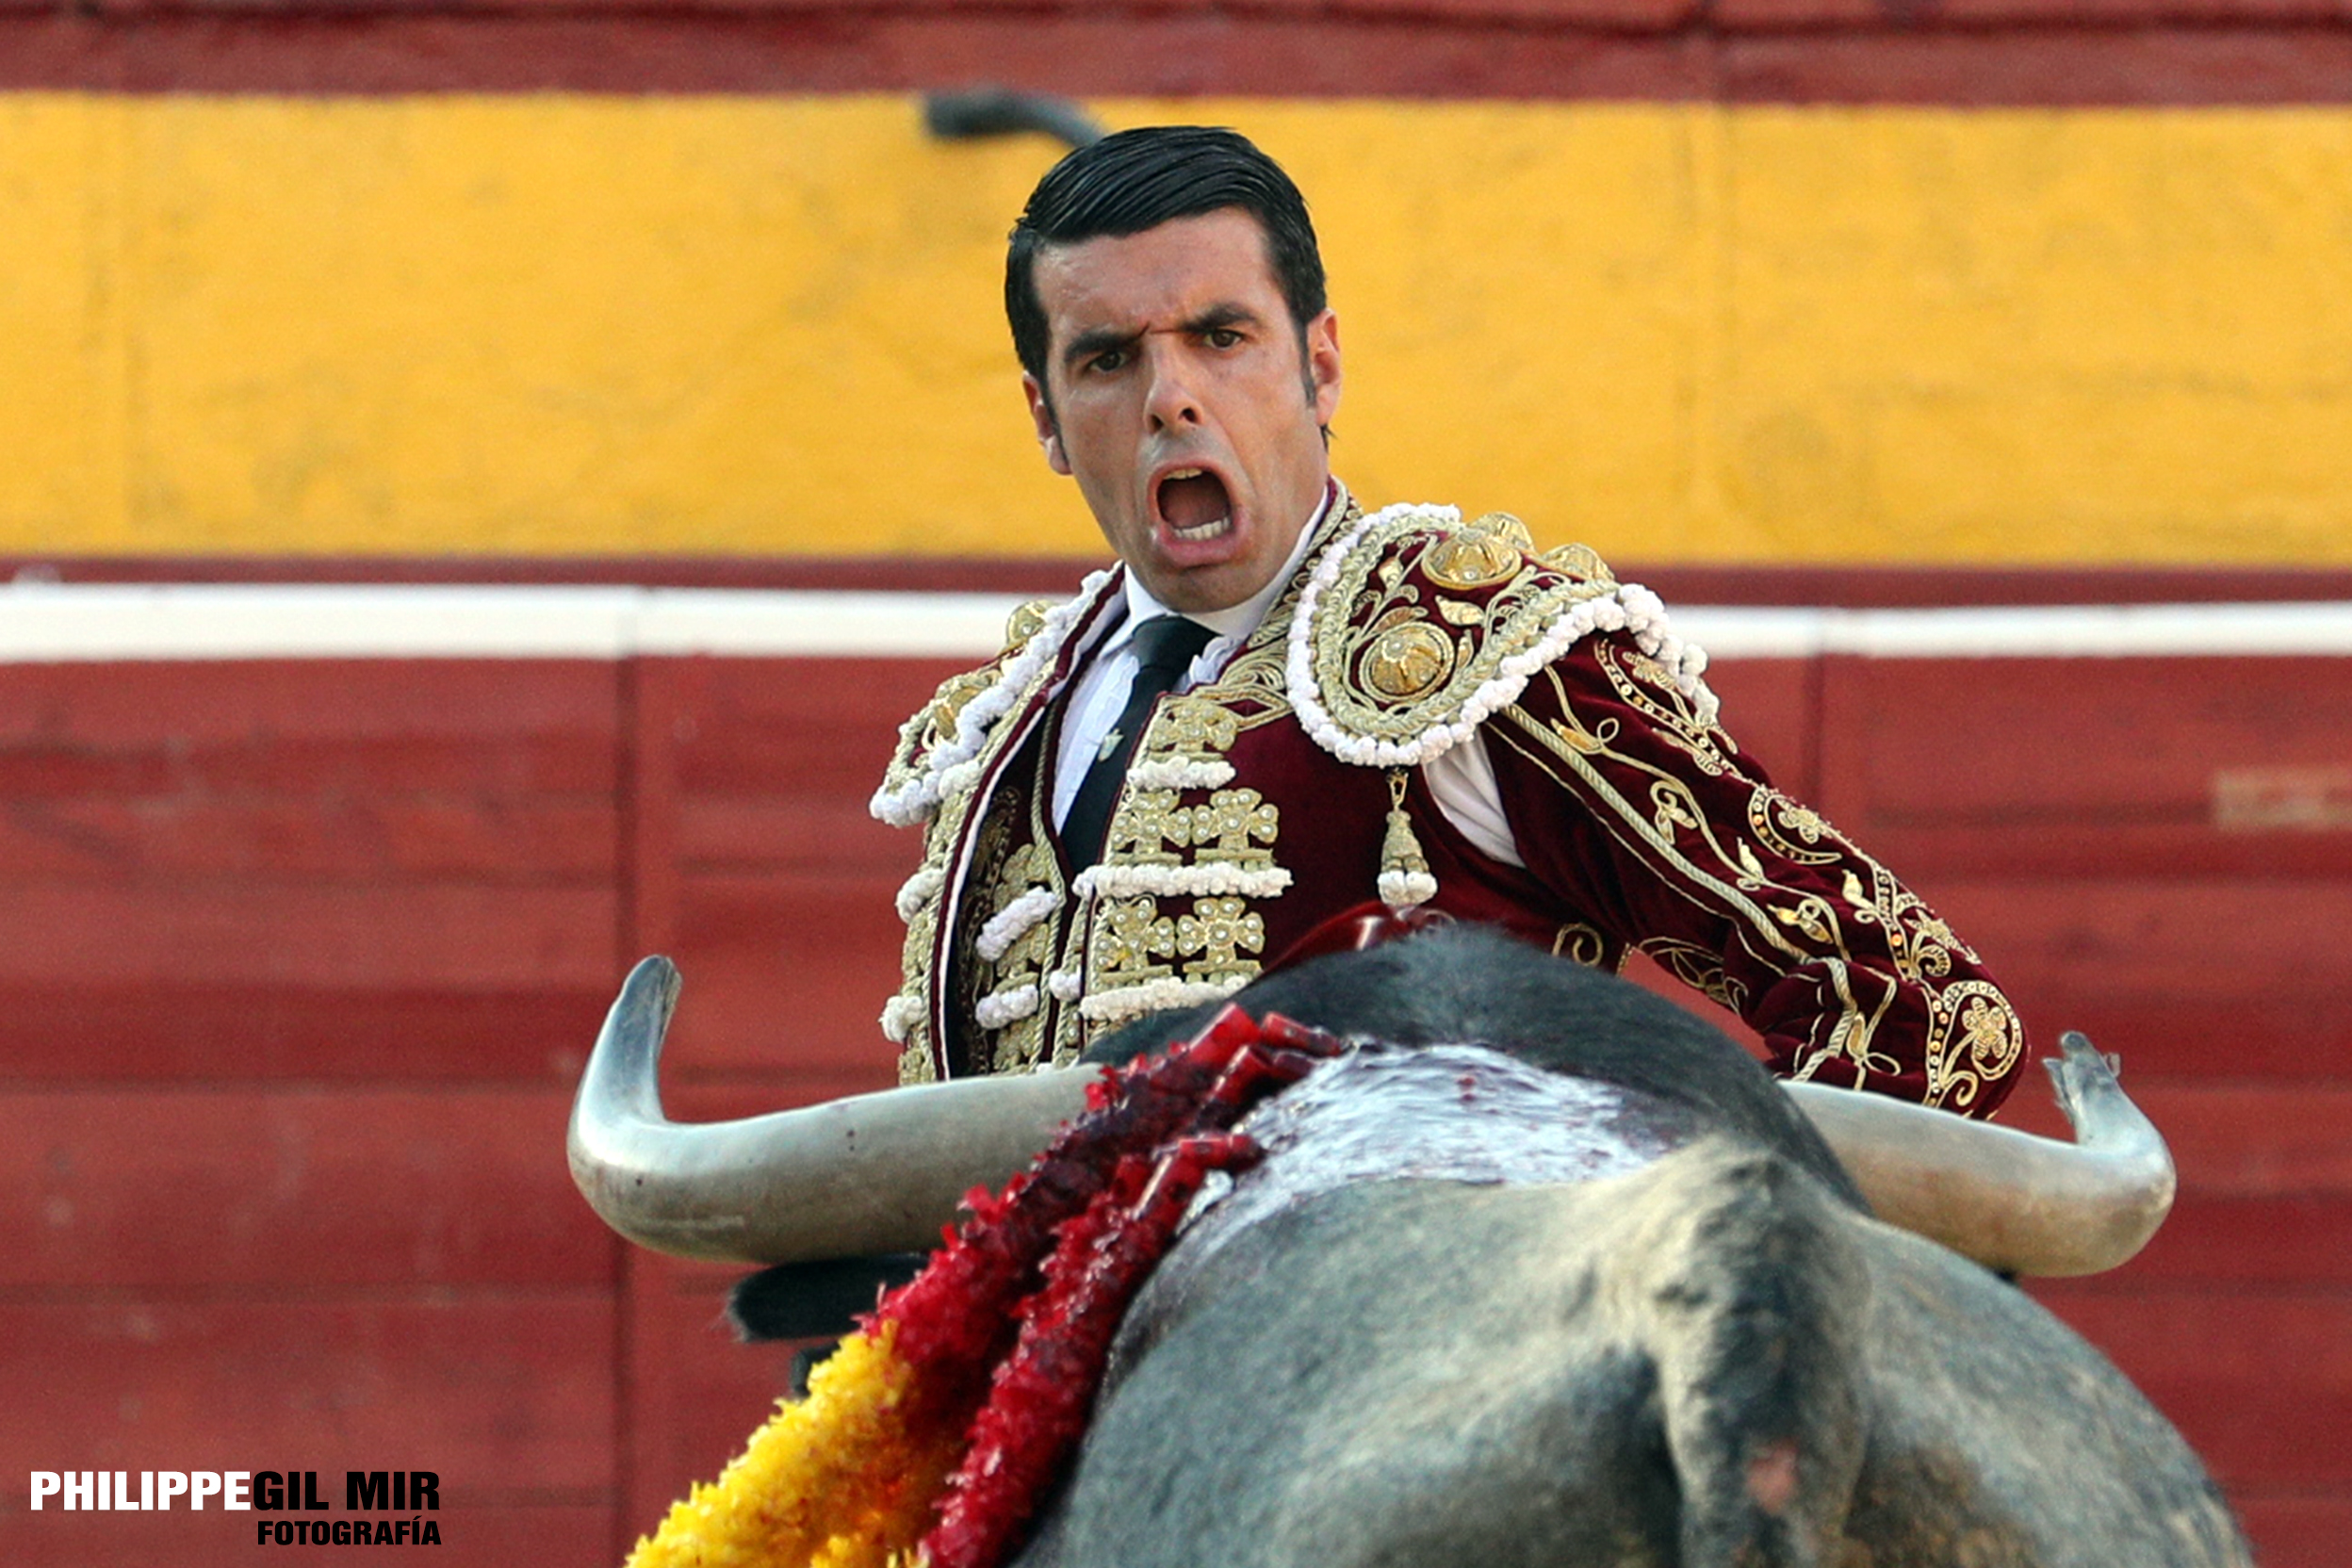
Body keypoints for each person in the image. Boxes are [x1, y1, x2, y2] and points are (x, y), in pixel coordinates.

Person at [871, 125, 2025, 1118]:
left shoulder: (1482, 653)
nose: (1171, 396)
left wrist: (1661, 1246)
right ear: (1049, 420)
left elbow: (1908, 1003)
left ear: (1319, 367)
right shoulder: (1003, 722)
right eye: (1109, 359)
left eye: (1222, 337)